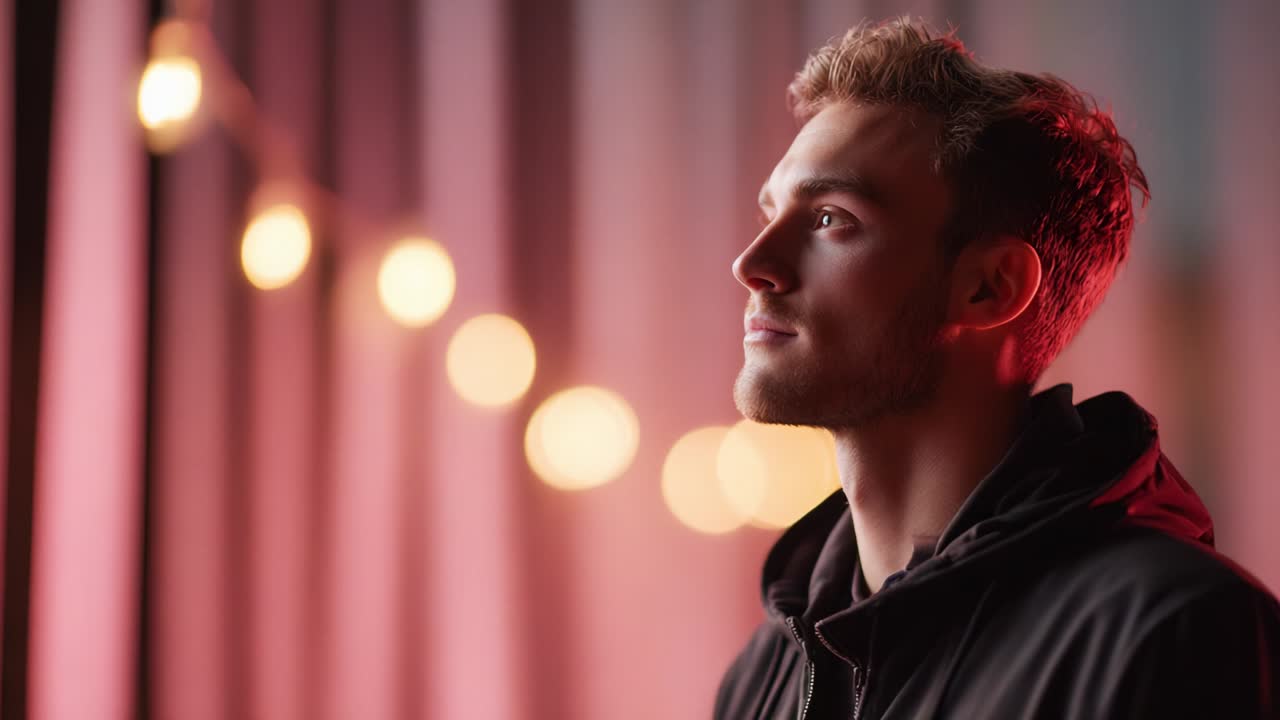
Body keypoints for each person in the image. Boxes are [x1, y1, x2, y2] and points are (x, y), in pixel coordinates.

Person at [714, 17, 1280, 720]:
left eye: (831, 218)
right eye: (771, 212)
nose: (752, 264)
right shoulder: (764, 674)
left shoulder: (1174, 635)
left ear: (991, 287)